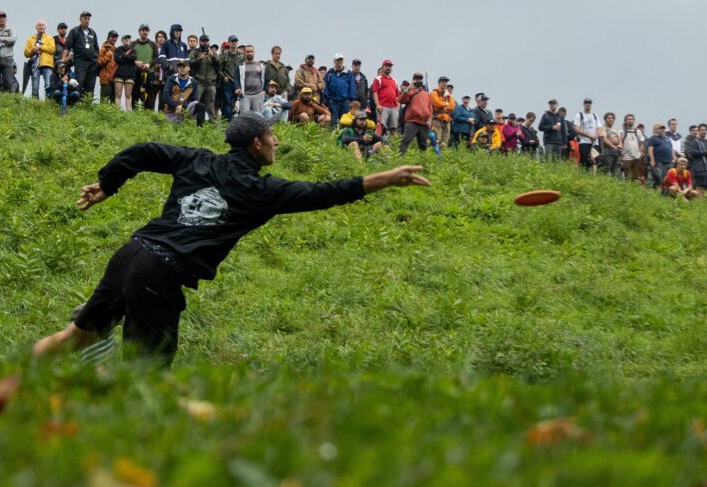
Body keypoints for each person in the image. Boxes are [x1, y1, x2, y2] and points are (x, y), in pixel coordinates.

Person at [30, 112, 430, 366]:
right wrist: (386, 177)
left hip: (131, 253)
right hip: (160, 274)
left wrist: (107, 184)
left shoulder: (198, 159)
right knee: (144, 378)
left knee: (75, 337)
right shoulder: (263, 192)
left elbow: (143, 151)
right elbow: (324, 193)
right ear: (256, 142)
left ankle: (15, 380)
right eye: (272, 136)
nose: (276, 142)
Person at [161, 60, 206, 126]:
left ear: (189, 68)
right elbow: (166, 96)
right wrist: (176, 106)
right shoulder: (171, 79)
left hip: (185, 108)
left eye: (184, 66)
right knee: (175, 126)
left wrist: (183, 106)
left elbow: (193, 99)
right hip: (172, 110)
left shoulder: (193, 82)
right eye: (179, 67)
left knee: (201, 106)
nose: (181, 68)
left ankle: (200, 129)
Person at [397, 76, 432, 155]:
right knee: (405, 141)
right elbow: (400, 100)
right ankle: (399, 159)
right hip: (412, 122)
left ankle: (423, 163)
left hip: (424, 123)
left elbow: (430, 108)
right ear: (413, 80)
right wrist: (409, 87)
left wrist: (430, 119)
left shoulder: (426, 94)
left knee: (423, 145)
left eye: (420, 79)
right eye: (416, 79)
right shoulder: (410, 91)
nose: (418, 80)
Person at [189, 33, 218, 118]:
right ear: (200, 42)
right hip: (198, 83)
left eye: (206, 41)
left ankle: (212, 125)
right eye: (203, 41)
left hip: (211, 83)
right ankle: (192, 123)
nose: (205, 43)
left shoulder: (213, 53)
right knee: (195, 103)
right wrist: (200, 58)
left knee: (211, 105)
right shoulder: (194, 52)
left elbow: (219, 64)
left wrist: (213, 57)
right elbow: (190, 63)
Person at [24, 21, 54, 100]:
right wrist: (32, 50)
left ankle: (48, 102)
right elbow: (26, 53)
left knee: (48, 85)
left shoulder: (49, 38)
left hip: (47, 64)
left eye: (42, 25)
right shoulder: (31, 39)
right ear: (36, 27)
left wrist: (40, 47)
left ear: (45, 27)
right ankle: (35, 103)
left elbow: (52, 50)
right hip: (35, 65)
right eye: (39, 25)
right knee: (35, 86)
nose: (41, 26)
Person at [130, 24, 157, 110]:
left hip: (149, 73)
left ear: (148, 32)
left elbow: (156, 58)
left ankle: (148, 114)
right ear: (139, 31)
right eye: (143, 30)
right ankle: (134, 113)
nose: (145, 32)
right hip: (136, 73)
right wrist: (135, 62)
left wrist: (149, 64)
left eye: (146, 30)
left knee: (149, 94)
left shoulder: (153, 44)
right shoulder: (133, 44)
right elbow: (128, 57)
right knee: (135, 93)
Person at [233, 44, 266, 114]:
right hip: (245, 95)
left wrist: (265, 91)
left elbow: (267, 78)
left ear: (254, 52)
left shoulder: (261, 66)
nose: (249, 53)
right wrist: (237, 88)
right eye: (247, 52)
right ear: (244, 53)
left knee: (258, 116)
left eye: (251, 51)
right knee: (245, 117)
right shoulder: (240, 66)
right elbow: (236, 78)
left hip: (258, 94)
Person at [0, 11, 16, 93]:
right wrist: (4, 43)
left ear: (6, 19)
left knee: (9, 82)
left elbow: (13, 39)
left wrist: (0, 39)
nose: (1, 19)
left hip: (8, 59)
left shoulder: (11, 29)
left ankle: (8, 101)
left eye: (3, 17)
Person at [217, 38, 243, 119]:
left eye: (235, 41)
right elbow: (218, 68)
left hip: (238, 82)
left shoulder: (241, 56)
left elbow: (243, 68)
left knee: (238, 102)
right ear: (229, 43)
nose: (234, 43)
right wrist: (223, 76)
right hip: (227, 81)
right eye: (232, 41)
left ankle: (236, 121)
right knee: (227, 102)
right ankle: (227, 121)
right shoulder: (224, 55)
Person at [684, 123, 707, 191]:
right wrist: (706, 152)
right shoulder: (695, 142)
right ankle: (698, 201)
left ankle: (704, 201)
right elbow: (693, 152)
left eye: (705, 130)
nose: (704, 131)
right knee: (699, 186)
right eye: (702, 130)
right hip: (699, 169)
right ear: (698, 131)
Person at [322, 54, 352, 119]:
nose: (339, 62)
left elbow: (352, 86)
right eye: (338, 60)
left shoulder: (348, 73)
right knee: (333, 120)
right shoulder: (329, 73)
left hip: (345, 100)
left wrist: (350, 99)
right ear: (334, 61)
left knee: (344, 120)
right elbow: (325, 86)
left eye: (341, 60)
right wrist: (327, 99)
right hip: (333, 100)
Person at [645, 123, 675, 188]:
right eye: (660, 128)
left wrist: (674, 158)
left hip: (669, 162)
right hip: (659, 162)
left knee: (668, 179)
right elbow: (650, 149)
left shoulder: (667, 139)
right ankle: (658, 194)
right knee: (659, 178)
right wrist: (652, 160)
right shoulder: (653, 138)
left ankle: (666, 194)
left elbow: (671, 148)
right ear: (656, 130)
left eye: (663, 128)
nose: (662, 130)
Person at [574, 98, 600, 171]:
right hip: (584, 142)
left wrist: (596, 135)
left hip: (595, 143)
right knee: (584, 163)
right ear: (584, 104)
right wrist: (589, 136)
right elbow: (576, 129)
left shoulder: (595, 116)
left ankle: (593, 179)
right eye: (586, 103)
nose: (588, 104)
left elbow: (600, 128)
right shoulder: (579, 115)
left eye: (589, 103)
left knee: (595, 163)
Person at [112, 33, 136, 111]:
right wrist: (128, 58)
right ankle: (117, 112)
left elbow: (133, 59)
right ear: (122, 40)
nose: (127, 39)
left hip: (130, 75)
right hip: (119, 74)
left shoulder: (133, 50)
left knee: (128, 95)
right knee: (118, 95)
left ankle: (128, 112)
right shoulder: (117, 49)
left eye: (128, 38)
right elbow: (117, 59)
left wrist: (123, 56)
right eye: (125, 38)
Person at [428, 76, 455, 146]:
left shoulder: (448, 95)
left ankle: (442, 156)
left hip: (447, 120)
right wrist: (446, 104)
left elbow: (452, 106)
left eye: (446, 82)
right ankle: (433, 155)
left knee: (444, 143)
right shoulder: (434, 93)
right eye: (443, 82)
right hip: (437, 119)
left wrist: (444, 105)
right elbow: (437, 103)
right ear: (439, 83)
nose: (445, 83)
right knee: (437, 140)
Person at [619, 114, 644, 182]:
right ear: (625, 121)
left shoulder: (638, 131)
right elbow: (619, 143)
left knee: (636, 177)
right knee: (628, 177)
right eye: (628, 119)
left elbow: (641, 142)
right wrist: (620, 154)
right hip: (626, 157)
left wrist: (641, 153)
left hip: (637, 157)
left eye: (631, 119)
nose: (630, 121)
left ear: (634, 121)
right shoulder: (621, 131)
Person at [596, 112, 622, 176]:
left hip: (616, 153)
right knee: (605, 172)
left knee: (616, 172)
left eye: (612, 118)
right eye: (608, 118)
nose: (610, 119)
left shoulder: (616, 130)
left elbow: (620, 139)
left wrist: (620, 146)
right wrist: (613, 146)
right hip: (606, 153)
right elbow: (604, 140)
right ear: (605, 119)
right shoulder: (603, 128)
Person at [98, 30, 117, 104]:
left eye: (115, 37)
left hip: (114, 79)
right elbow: (99, 63)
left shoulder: (116, 49)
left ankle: (112, 116)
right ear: (108, 37)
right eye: (112, 37)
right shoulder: (103, 48)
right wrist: (108, 55)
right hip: (106, 79)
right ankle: (102, 116)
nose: (114, 39)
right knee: (104, 102)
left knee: (113, 102)